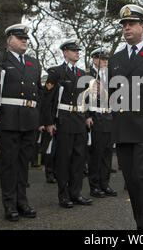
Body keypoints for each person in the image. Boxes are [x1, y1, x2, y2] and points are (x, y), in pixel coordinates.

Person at [108, 4, 143, 230]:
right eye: (124, 24)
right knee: (131, 183)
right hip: (124, 129)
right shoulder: (116, 59)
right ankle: (141, 227)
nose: (127, 28)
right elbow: (113, 95)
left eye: (131, 24)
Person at [0, 23, 41, 222]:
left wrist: (39, 117)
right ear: (9, 40)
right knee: (9, 164)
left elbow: (38, 92)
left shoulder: (33, 63)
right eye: (19, 37)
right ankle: (10, 204)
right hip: (8, 118)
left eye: (26, 38)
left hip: (29, 119)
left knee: (23, 164)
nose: (24, 40)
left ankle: (22, 202)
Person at [42, 39, 93, 209]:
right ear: (65, 53)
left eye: (78, 50)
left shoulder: (81, 74)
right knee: (64, 159)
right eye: (73, 50)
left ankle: (76, 193)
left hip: (79, 119)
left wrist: (86, 115)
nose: (77, 52)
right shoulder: (56, 72)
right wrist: (48, 122)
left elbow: (84, 99)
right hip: (63, 119)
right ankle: (63, 195)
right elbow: (48, 99)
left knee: (79, 159)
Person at [86, 48, 117, 198]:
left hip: (109, 116)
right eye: (102, 59)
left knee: (107, 153)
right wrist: (88, 115)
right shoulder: (88, 76)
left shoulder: (110, 76)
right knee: (96, 154)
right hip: (96, 115)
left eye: (106, 59)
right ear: (94, 59)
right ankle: (95, 185)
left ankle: (105, 184)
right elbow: (83, 98)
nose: (105, 62)